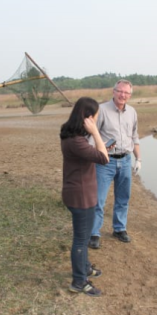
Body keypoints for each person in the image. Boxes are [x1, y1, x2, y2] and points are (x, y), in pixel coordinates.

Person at [60, 97, 109, 297]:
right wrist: (96, 134)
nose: (96, 121)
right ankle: (79, 281)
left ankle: (85, 268)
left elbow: (95, 154)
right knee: (81, 240)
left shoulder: (71, 135)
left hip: (79, 193)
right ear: (88, 118)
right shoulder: (77, 141)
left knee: (85, 235)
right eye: (95, 118)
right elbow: (104, 159)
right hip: (80, 196)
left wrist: (99, 145)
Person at [88, 79, 141, 249]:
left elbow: (135, 137)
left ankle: (119, 228)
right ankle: (94, 233)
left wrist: (138, 158)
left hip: (125, 160)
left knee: (123, 198)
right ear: (113, 91)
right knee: (98, 199)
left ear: (130, 95)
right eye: (120, 91)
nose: (122, 95)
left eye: (126, 93)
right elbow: (90, 136)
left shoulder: (132, 112)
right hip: (105, 161)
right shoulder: (101, 110)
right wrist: (98, 150)